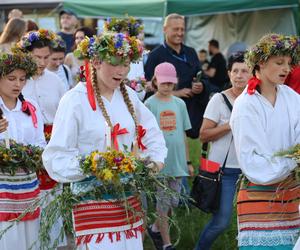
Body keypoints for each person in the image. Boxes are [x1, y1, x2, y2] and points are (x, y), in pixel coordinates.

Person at [42, 31, 167, 249]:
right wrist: (92, 165)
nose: (121, 71)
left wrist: (153, 161)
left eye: (126, 64)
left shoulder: (128, 96)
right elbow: (56, 155)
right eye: (115, 63)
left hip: (128, 199)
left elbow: (153, 133)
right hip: (92, 203)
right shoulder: (74, 100)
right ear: (96, 62)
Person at [230, 34, 300, 249]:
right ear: (260, 63)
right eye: (279, 63)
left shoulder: (291, 96)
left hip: (293, 194)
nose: (286, 69)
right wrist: (294, 161)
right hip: (258, 196)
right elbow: (251, 163)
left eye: (288, 63)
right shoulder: (245, 105)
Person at [15, 29, 68, 246]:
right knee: (30, 191)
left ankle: (53, 240)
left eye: (46, 57)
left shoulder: (55, 80)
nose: (43, 62)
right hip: (27, 142)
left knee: (52, 194)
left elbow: (64, 111)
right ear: (26, 55)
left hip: (53, 138)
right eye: (37, 57)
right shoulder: (18, 80)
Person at [195, 52, 251, 250]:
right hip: (224, 172)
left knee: (250, 221)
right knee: (221, 222)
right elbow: (203, 135)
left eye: (244, 71)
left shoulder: (256, 100)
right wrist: (230, 125)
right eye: (235, 71)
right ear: (228, 74)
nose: (239, 75)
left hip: (251, 171)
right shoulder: (218, 100)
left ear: (252, 74)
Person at [0, 52, 46, 250]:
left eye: (22, 79)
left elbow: (40, 143)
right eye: (11, 79)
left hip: (27, 183)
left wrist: (34, 155)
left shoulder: (31, 108)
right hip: (2, 187)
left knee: (29, 235)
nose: (17, 84)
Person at [145, 62, 193, 250]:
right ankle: (167, 243)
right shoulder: (150, 104)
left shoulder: (179, 103)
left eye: (170, 83)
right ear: (155, 81)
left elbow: (183, 134)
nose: (166, 87)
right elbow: (145, 135)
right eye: (163, 83)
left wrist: (188, 161)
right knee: (163, 202)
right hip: (161, 162)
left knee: (174, 200)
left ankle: (155, 228)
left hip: (178, 161)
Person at [145, 13, 210, 140]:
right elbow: (148, 86)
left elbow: (203, 77)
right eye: (176, 29)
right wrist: (176, 93)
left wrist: (200, 86)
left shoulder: (191, 52)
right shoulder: (155, 55)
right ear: (165, 29)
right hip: (166, 111)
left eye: (182, 29)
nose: (180, 33)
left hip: (190, 109)